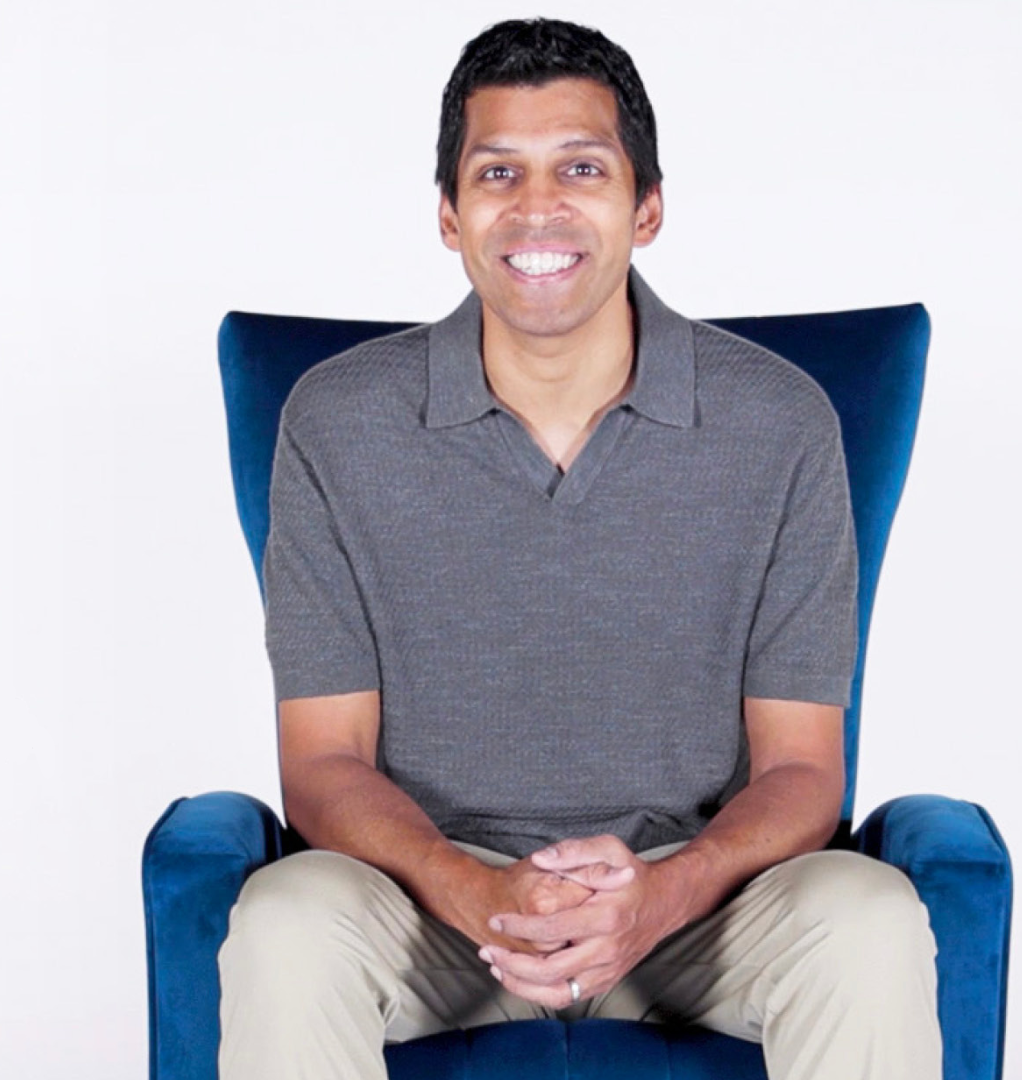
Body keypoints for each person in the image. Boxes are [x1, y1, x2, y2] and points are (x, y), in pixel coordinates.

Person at [218, 17, 942, 1080]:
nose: (536, 206)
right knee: (285, 920)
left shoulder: (782, 423)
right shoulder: (336, 423)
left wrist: (662, 895)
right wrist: (475, 891)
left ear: (646, 208)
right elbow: (323, 764)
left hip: (698, 907)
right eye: (497, 171)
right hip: (432, 905)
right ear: (448, 216)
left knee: (868, 916)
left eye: (583, 167)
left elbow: (800, 769)